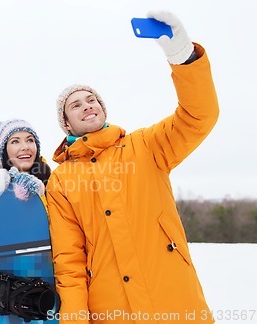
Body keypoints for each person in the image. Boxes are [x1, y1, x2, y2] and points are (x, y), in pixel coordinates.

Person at [46, 11, 218, 324]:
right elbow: (69, 259)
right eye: (76, 104)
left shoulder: (146, 146)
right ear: (66, 123)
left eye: (92, 100)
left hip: (174, 298)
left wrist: (183, 57)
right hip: (111, 309)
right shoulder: (60, 181)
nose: (87, 105)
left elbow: (199, 116)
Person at [0, 119, 51, 201]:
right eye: (15, 141)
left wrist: (40, 193)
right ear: (4, 151)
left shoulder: (55, 180)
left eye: (30, 140)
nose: (25, 147)